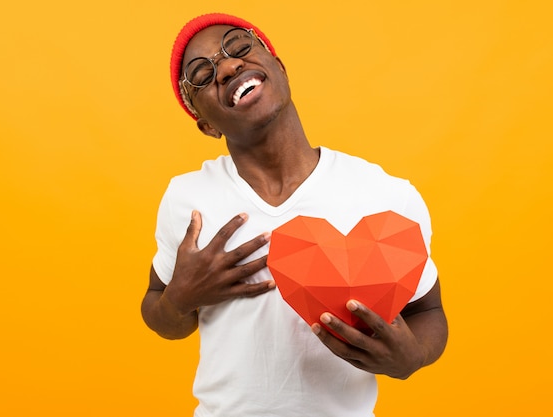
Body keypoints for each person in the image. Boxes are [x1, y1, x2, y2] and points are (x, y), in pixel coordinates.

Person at [141, 12, 448, 417]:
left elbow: (427, 312)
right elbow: (159, 311)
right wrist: (180, 301)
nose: (229, 66)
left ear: (278, 66)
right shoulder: (188, 198)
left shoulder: (384, 194)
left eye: (239, 47)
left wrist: (414, 356)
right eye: (201, 74)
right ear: (205, 125)